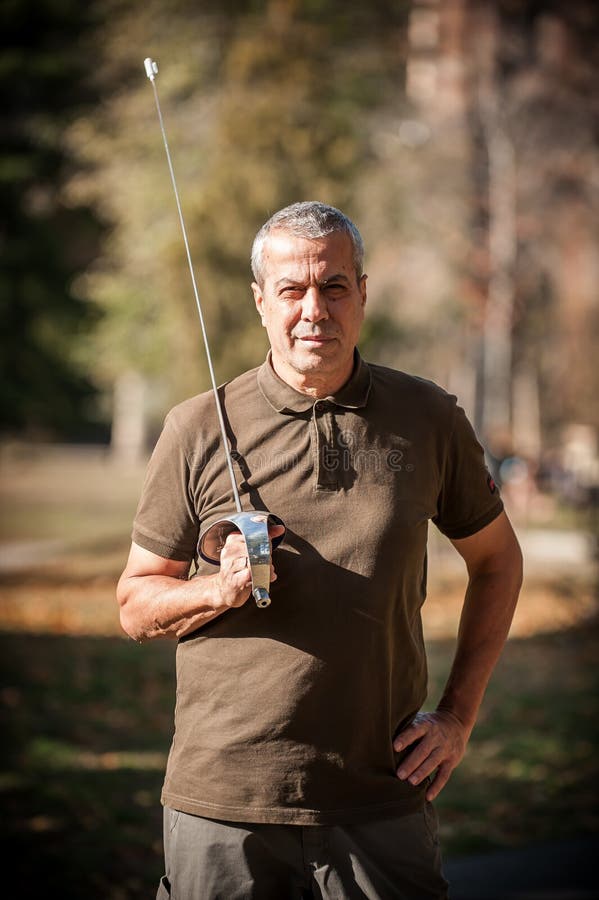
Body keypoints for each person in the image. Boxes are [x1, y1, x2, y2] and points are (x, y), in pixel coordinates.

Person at [117, 201, 523, 900]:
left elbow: (497, 561)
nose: (314, 310)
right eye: (292, 289)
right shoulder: (196, 426)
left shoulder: (427, 418)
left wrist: (457, 715)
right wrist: (217, 590)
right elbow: (135, 604)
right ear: (260, 302)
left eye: (333, 286)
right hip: (224, 803)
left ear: (361, 292)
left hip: (380, 798)